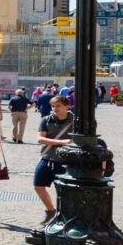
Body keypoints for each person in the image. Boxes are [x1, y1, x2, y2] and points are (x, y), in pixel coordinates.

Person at [34, 95, 75, 228]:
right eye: (53, 106)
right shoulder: (46, 120)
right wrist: (61, 142)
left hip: (65, 161)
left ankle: (62, 215)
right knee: (38, 186)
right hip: (47, 157)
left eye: (58, 106)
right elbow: (40, 139)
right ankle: (50, 210)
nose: (54, 109)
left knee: (61, 191)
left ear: (67, 106)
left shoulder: (75, 121)